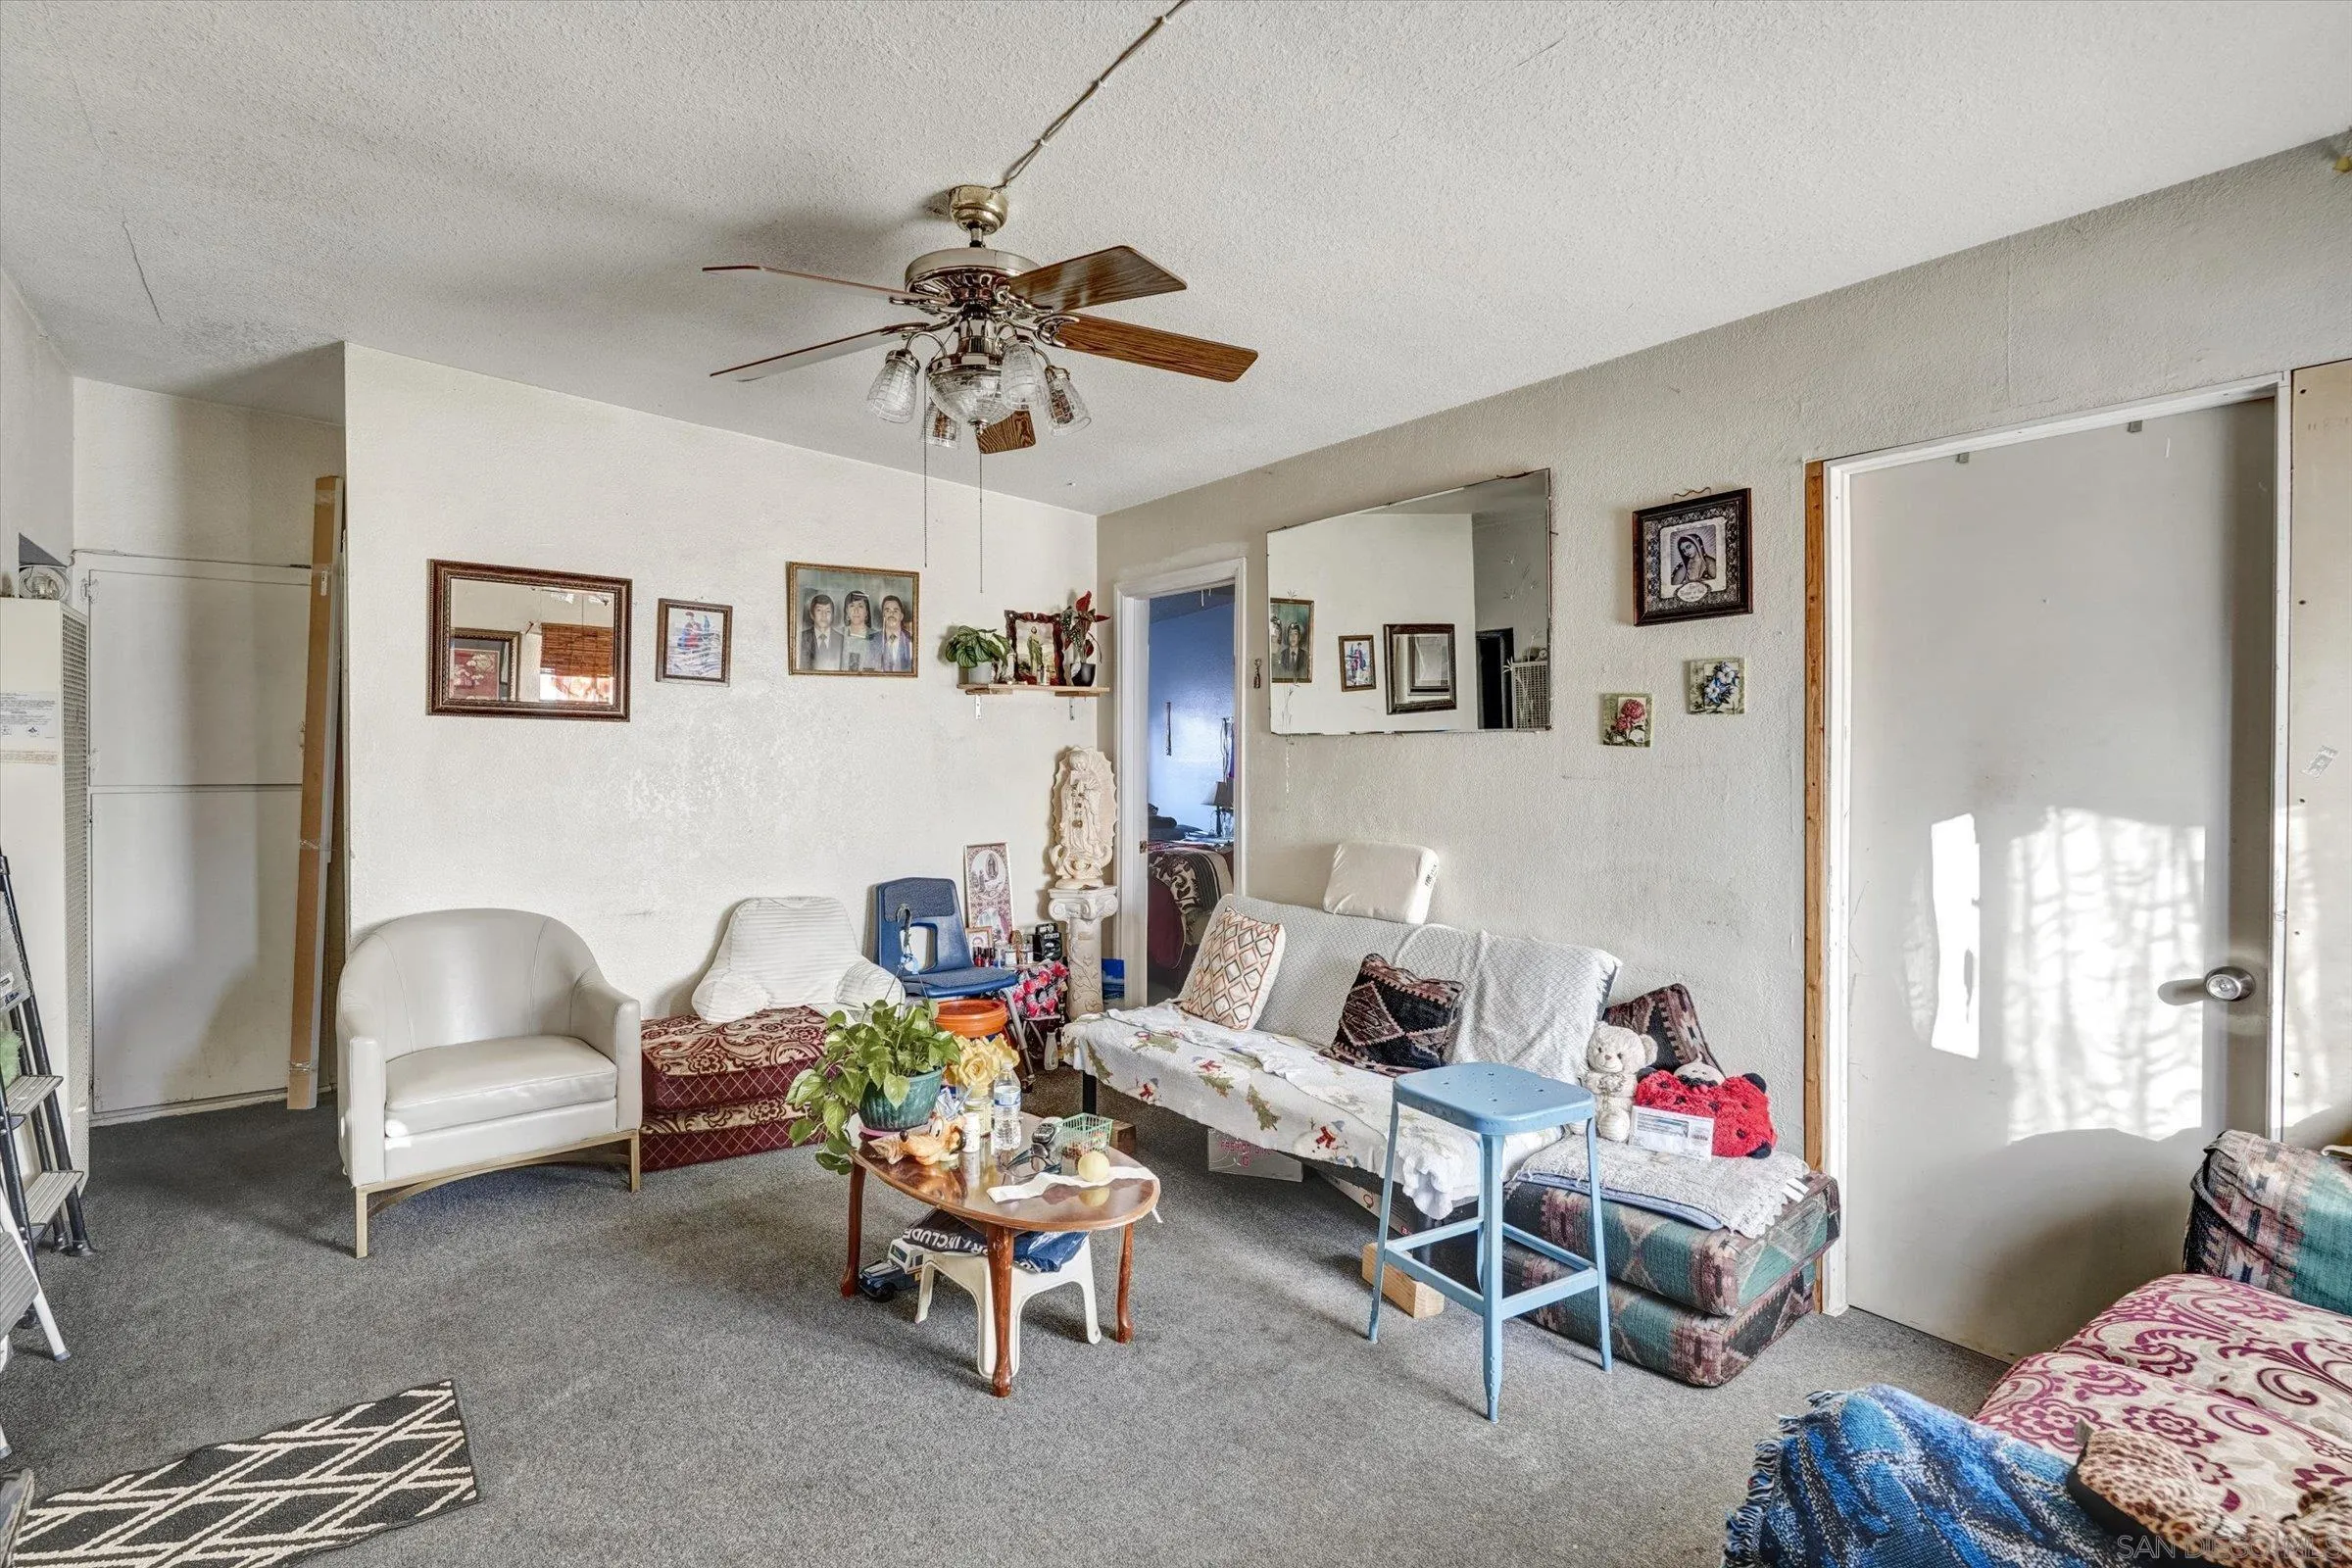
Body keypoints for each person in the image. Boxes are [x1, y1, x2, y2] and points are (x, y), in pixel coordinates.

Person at [800, 592, 843, 670]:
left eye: (828, 611)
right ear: (812, 614)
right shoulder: (801, 638)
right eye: (819, 610)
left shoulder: (841, 640)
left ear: (833, 615)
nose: (824, 615)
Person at [875, 594, 915, 672]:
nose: (891, 614)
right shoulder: (872, 640)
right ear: (883, 615)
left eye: (895, 611)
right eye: (887, 610)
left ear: (901, 616)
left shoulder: (912, 640)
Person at [839, 591, 877, 670]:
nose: (856, 610)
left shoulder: (876, 637)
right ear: (847, 611)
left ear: (867, 612)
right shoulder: (838, 635)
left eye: (860, 606)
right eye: (852, 606)